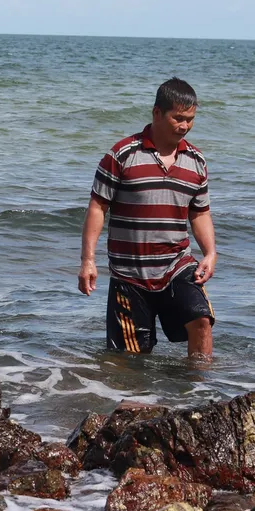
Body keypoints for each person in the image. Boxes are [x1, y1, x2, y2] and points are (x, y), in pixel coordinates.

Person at [78, 78, 217, 358]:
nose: (184, 125)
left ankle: (201, 394)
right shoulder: (122, 155)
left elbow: (199, 212)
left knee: (201, 320)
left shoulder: (196, 161)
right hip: (129, 274)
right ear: (157, 113)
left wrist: (210, 253)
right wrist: (88, 261)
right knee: (132, 360)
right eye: (178, 118)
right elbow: (97, 207)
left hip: (177, 265)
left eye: (190, 119)